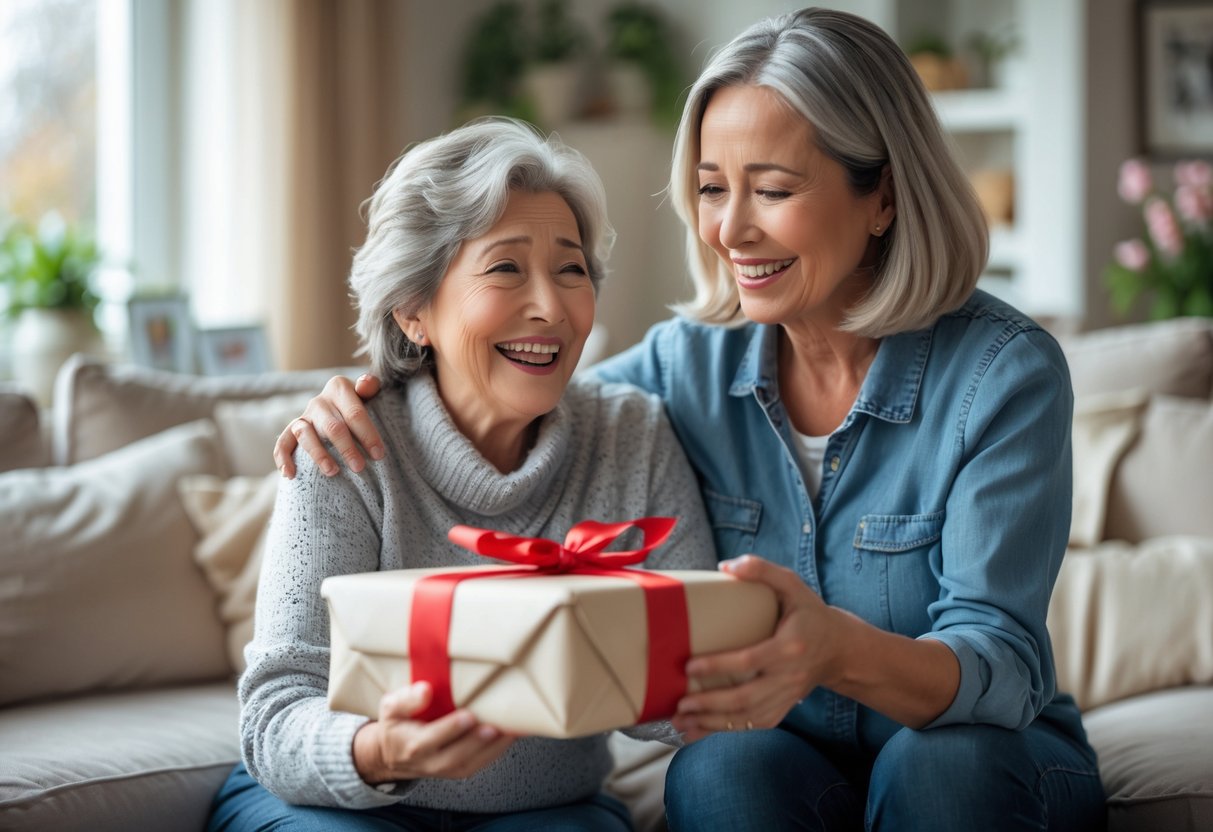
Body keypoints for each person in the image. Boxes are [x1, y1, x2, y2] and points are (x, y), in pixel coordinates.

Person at [276, 8, 1107, 831]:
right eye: (712, 189)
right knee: (722, 769)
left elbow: (1000, 662)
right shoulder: (685, 365)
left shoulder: (1002, 373)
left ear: (882, 195)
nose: (729, 229)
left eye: (772, 190)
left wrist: (833, 648)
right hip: (791, 753)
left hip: (984, 752)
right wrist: (370, 384)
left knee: (941, 768)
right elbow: (519, 381)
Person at [210, 117, 718, 832]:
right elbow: (273, 712)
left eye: (570, 268)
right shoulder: (343, 446)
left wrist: (702, 680)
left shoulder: (630, 434)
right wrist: (381, 750)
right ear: (414, 311)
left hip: (545, 812)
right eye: (505, 267)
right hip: (338, 804)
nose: (549, 305)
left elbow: (678, 699)